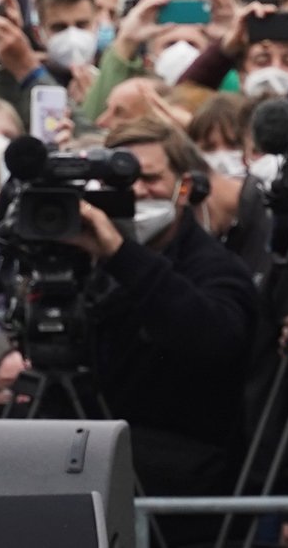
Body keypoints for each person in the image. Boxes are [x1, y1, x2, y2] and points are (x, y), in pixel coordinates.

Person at [62, 117, 258, 531]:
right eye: (120, 180)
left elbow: (214, 339)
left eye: (148, 178)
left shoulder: (215, 266)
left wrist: (122, 256)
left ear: (184, 187)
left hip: (185, 490)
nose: (134, 190)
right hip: (89, 461)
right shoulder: (82, 257)